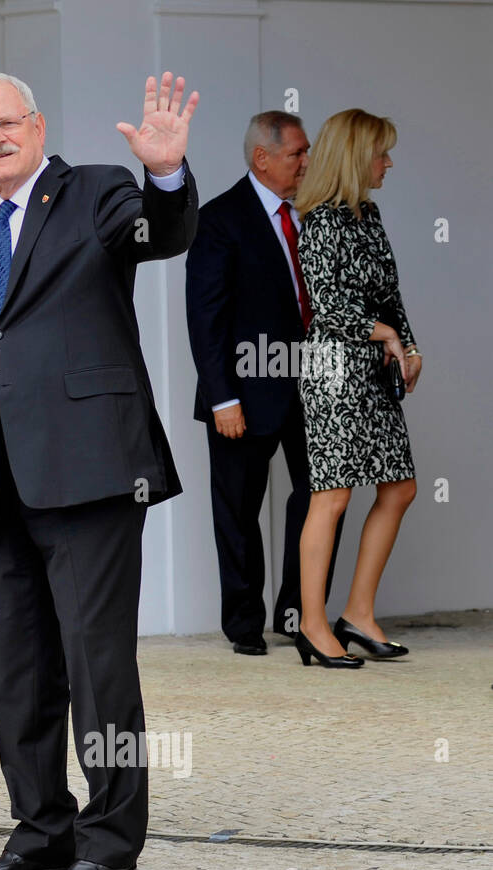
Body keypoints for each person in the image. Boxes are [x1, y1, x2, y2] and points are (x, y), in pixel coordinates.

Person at [0, 72, 199, 870]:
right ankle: (41, 832)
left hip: (89, 472)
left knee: (96, 666)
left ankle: (110, 841)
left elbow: (161, 232)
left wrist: (165, 174)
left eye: (8, 121)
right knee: (18, 669)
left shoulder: (97, 193)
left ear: (38, 126)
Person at [186, 112, 342, 655]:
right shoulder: (219, 219)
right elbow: (205, 319)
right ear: (262, 158)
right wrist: (222, 396)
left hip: (317, 385)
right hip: (244, 393)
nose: (307, 162)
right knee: (237, 510)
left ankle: (301, 615)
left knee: (322, 496)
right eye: (297, 153)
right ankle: (245, 625)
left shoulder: (315, 213)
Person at [292, 109, 421, 668]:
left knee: (400, 488)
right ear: (354, 155)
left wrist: (408, 345)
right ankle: (313, 625)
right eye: (381, 153)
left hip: (372, 367)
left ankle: (358, 614)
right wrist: (386, 334)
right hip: (333, 370)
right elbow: (330, 306)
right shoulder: (319, 221)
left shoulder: (368, 215)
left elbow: (388, 295)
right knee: (333, 495)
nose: (388, 163)